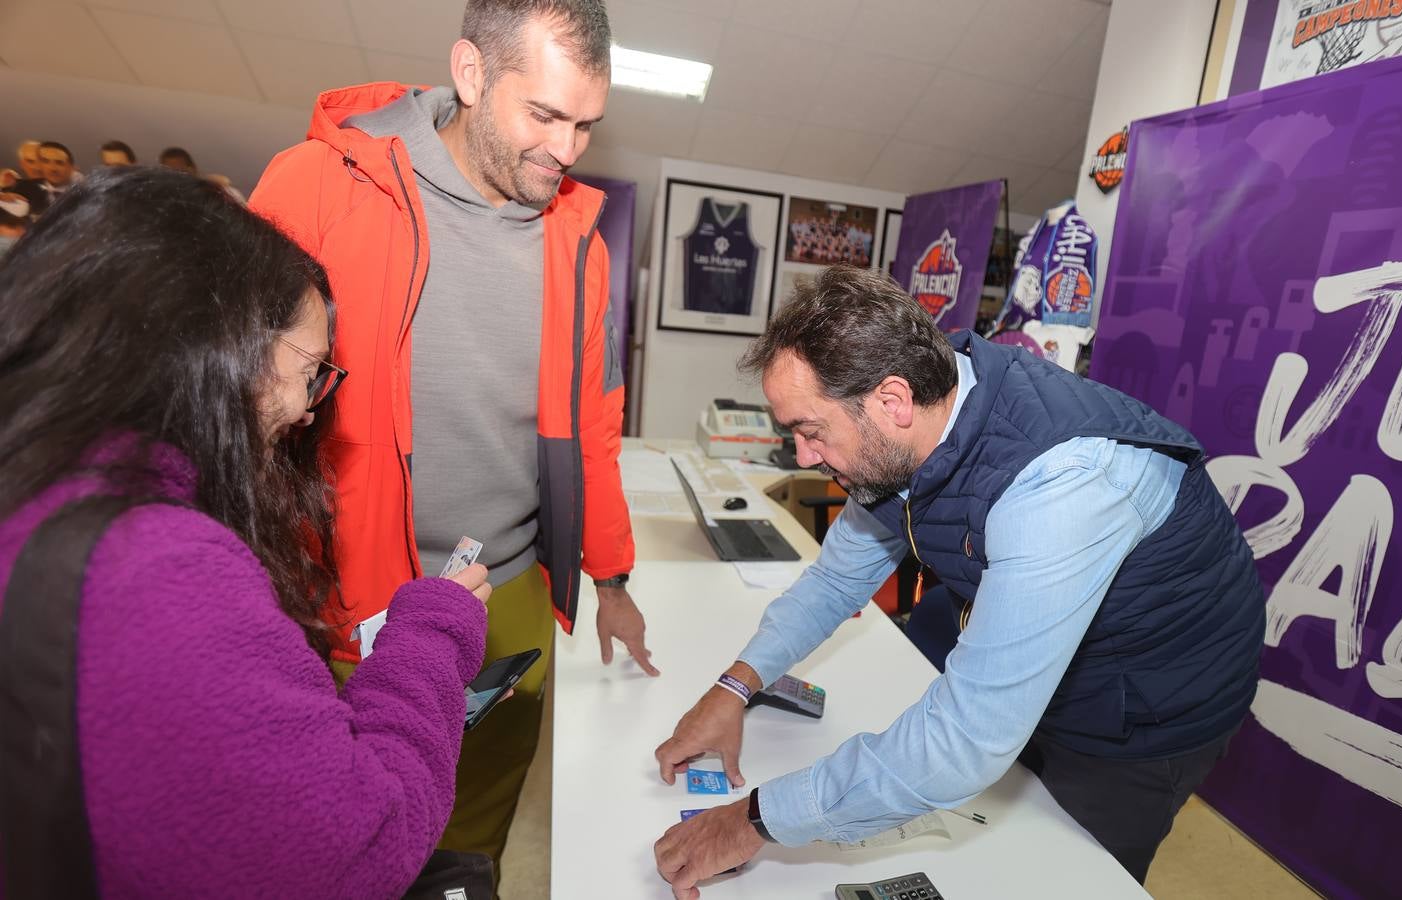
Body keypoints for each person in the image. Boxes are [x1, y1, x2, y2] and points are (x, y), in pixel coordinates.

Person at [651, 265, 1266, 897]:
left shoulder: (1063, 482)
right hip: (1051, 664)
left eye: (811, 431)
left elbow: (969, 740)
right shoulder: (899, 434)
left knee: (1065, 878)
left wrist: (756, 821)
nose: (803, 456)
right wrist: (734, 688)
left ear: (890, 401)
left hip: (1151, 706)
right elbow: (835, 583)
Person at [0, 166, 495, 895]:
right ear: (217, 349)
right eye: (310, 370)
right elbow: (360, 845)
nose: (306, 408)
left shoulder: (45, 489)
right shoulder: (157, 569)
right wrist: (433, 636)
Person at [250, 0, 654, 864]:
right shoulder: (316, 183)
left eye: (587, 124)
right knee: (334, 841)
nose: (567, 149)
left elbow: (593, 426)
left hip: (507, 598)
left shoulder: (579, 238)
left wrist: (610, 575)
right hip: (343, 596)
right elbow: (229, 405)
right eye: (543, 115)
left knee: (471, 838)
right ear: (470, 73)